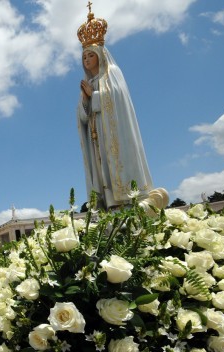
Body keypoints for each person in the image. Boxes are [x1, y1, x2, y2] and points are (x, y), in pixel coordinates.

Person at [76, 5, 152, 209]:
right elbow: (82, 117)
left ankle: (126, 201)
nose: (86, 60)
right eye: (84, 57)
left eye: (90, 55)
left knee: (113, 166)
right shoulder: (88, 83)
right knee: (101, 169)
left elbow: (119, 99)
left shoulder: (112, 73)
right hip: (96, 135)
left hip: (113, 133)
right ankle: (108, 204)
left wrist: (95, 96)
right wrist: (85, 101)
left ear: (100, 55)